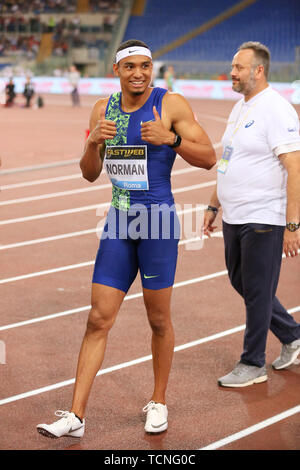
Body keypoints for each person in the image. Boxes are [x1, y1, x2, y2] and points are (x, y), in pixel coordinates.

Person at [36, 39, 216, 438]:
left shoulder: (170, 105)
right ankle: (76, 416)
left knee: (158, 320)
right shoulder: (103, 109)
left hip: (157, 223)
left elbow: (209, 158)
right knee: (98, 318)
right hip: (119, 222)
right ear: (116, 71)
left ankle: (158, 400)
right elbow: (88, 173)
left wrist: (171, 140)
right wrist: (93, 142)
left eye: (146, 65)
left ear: (152, 68)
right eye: (131, 66)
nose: (139, 73)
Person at [203, 41, 300, 388]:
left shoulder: (276, 109)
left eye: (239, 67)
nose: (232, 72)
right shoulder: (241, 107)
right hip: (235, 215)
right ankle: (292, 334)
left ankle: (252, 363)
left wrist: (292, 225)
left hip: (265, 217)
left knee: (258, 289)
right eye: (233, 66)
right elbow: (228, 160)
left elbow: (295, 167)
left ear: (258, 70)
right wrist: (214, 204)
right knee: (241, 281)